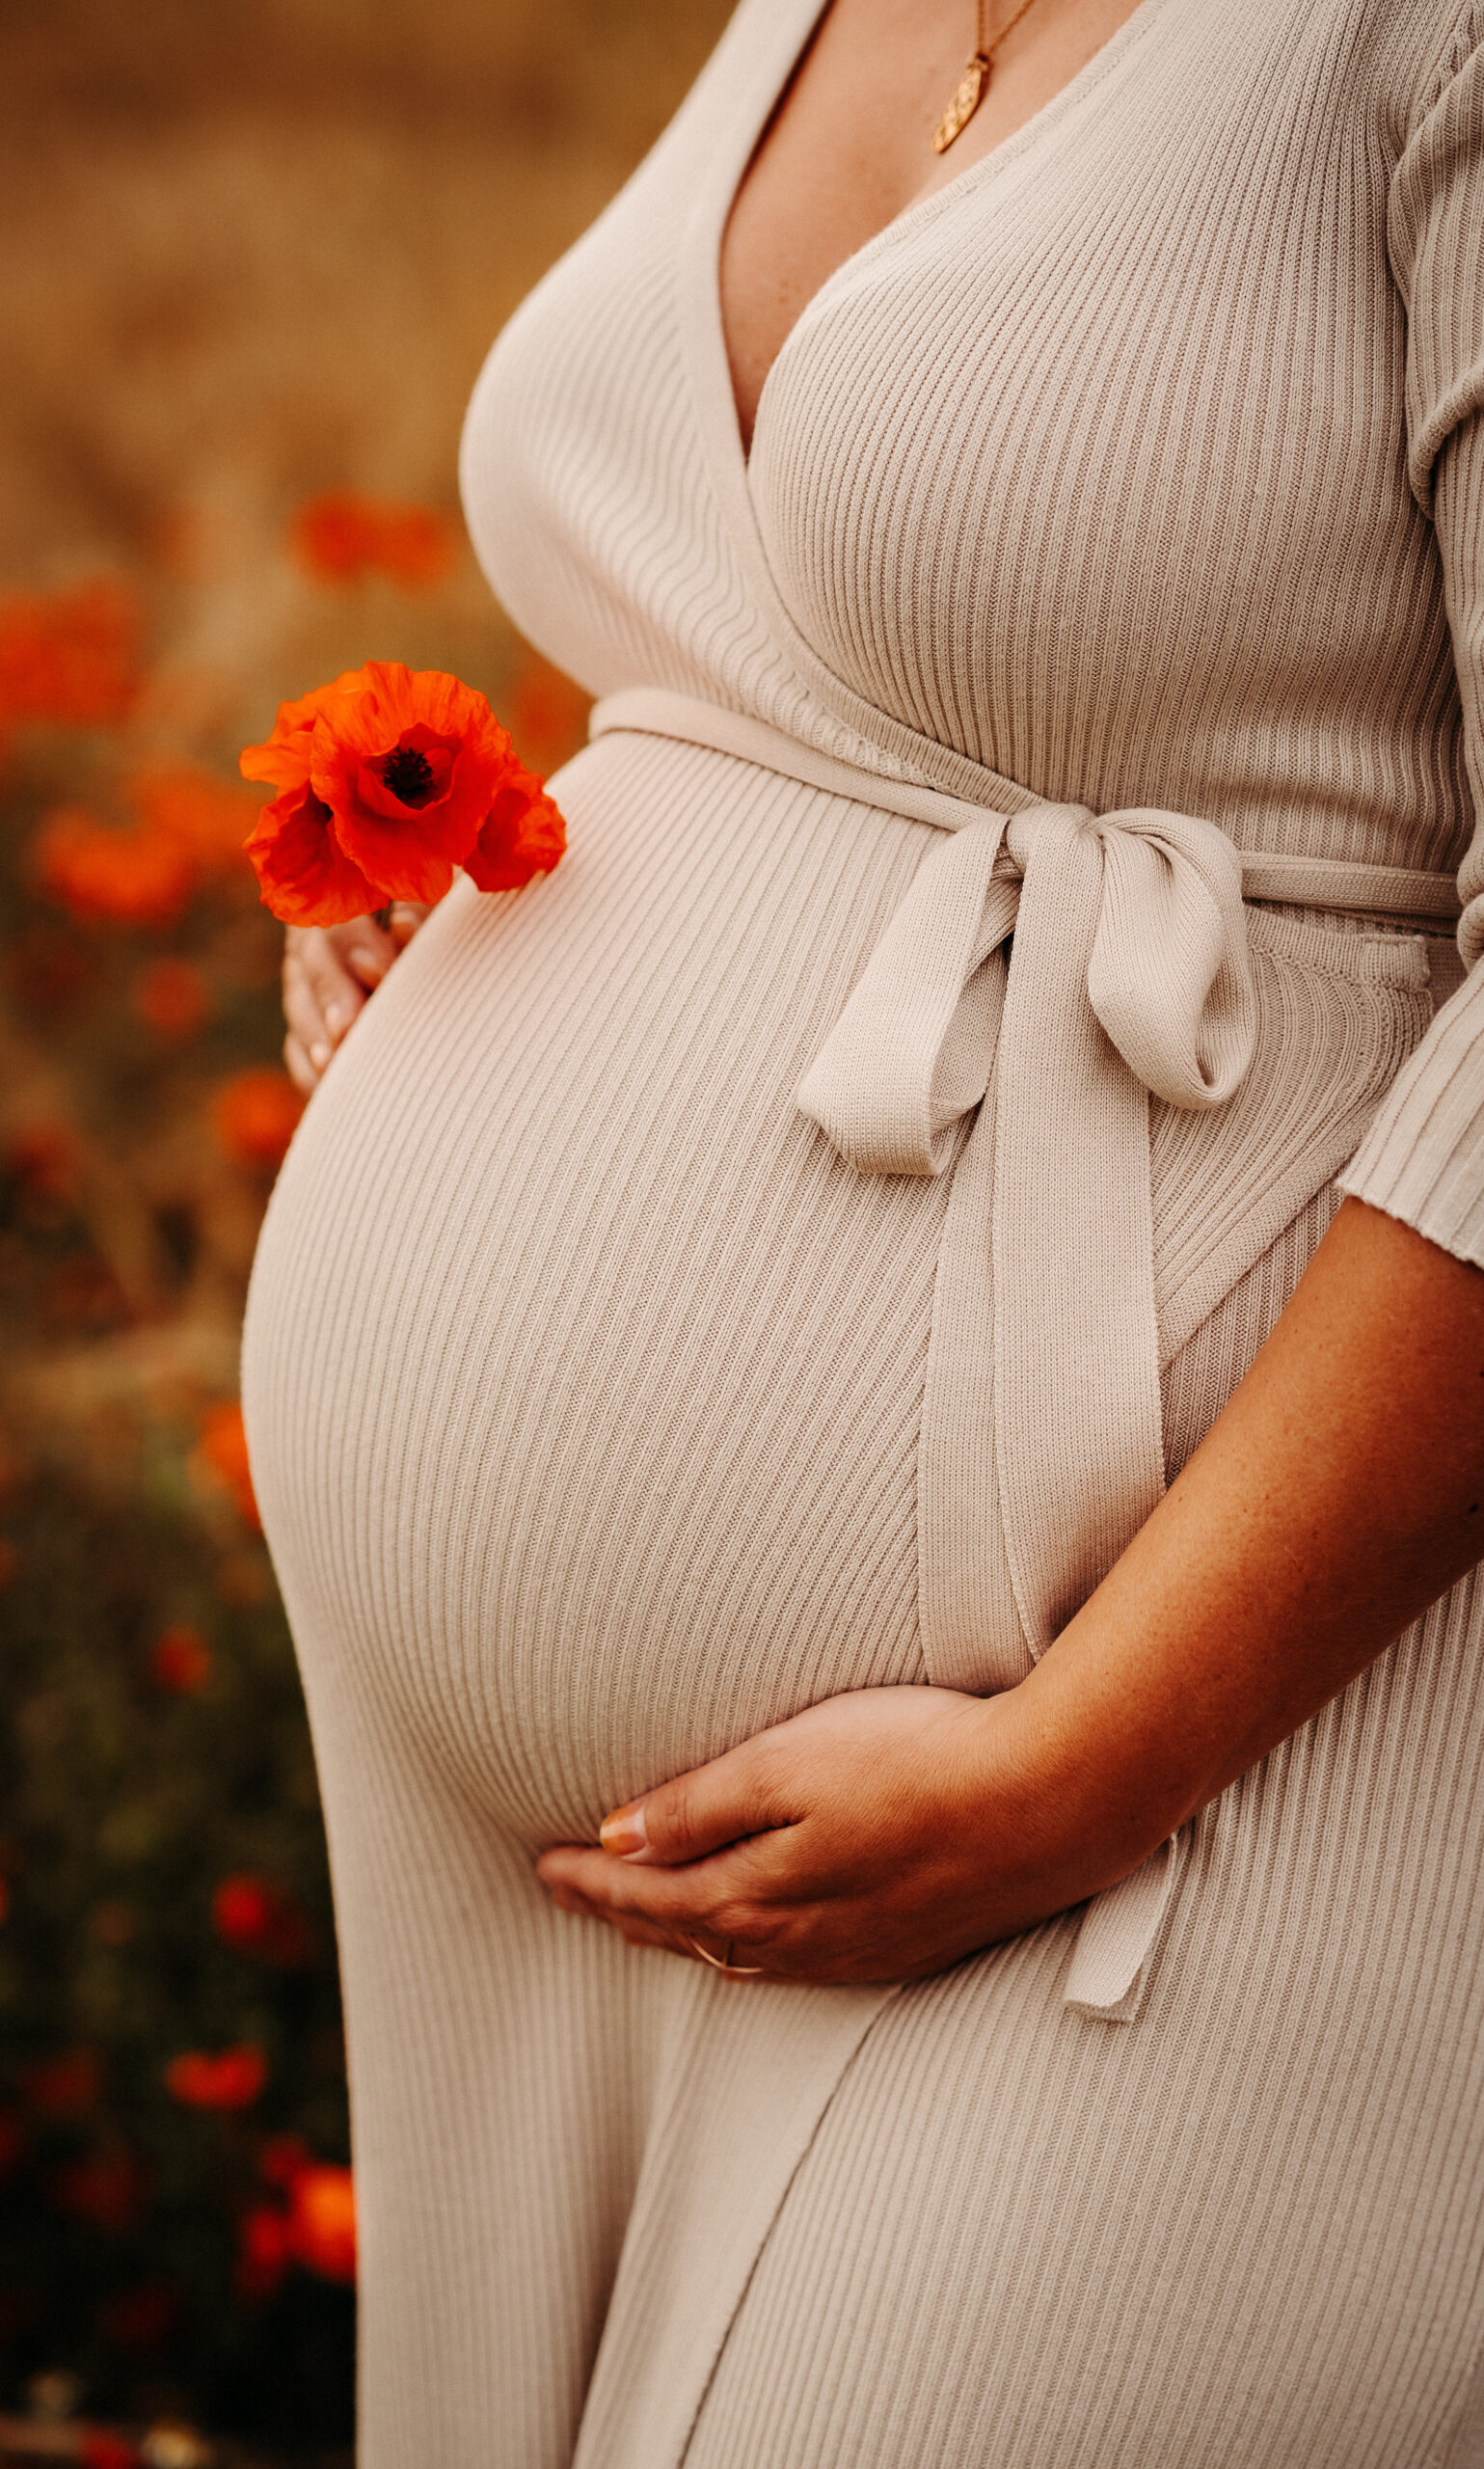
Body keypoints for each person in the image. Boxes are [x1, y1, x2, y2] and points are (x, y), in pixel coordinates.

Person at [245, 0, 1484, 2456]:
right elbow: (835, 649)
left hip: (1189, 1783)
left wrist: (1093, 1752)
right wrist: (494, 901)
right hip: (505, 1855)